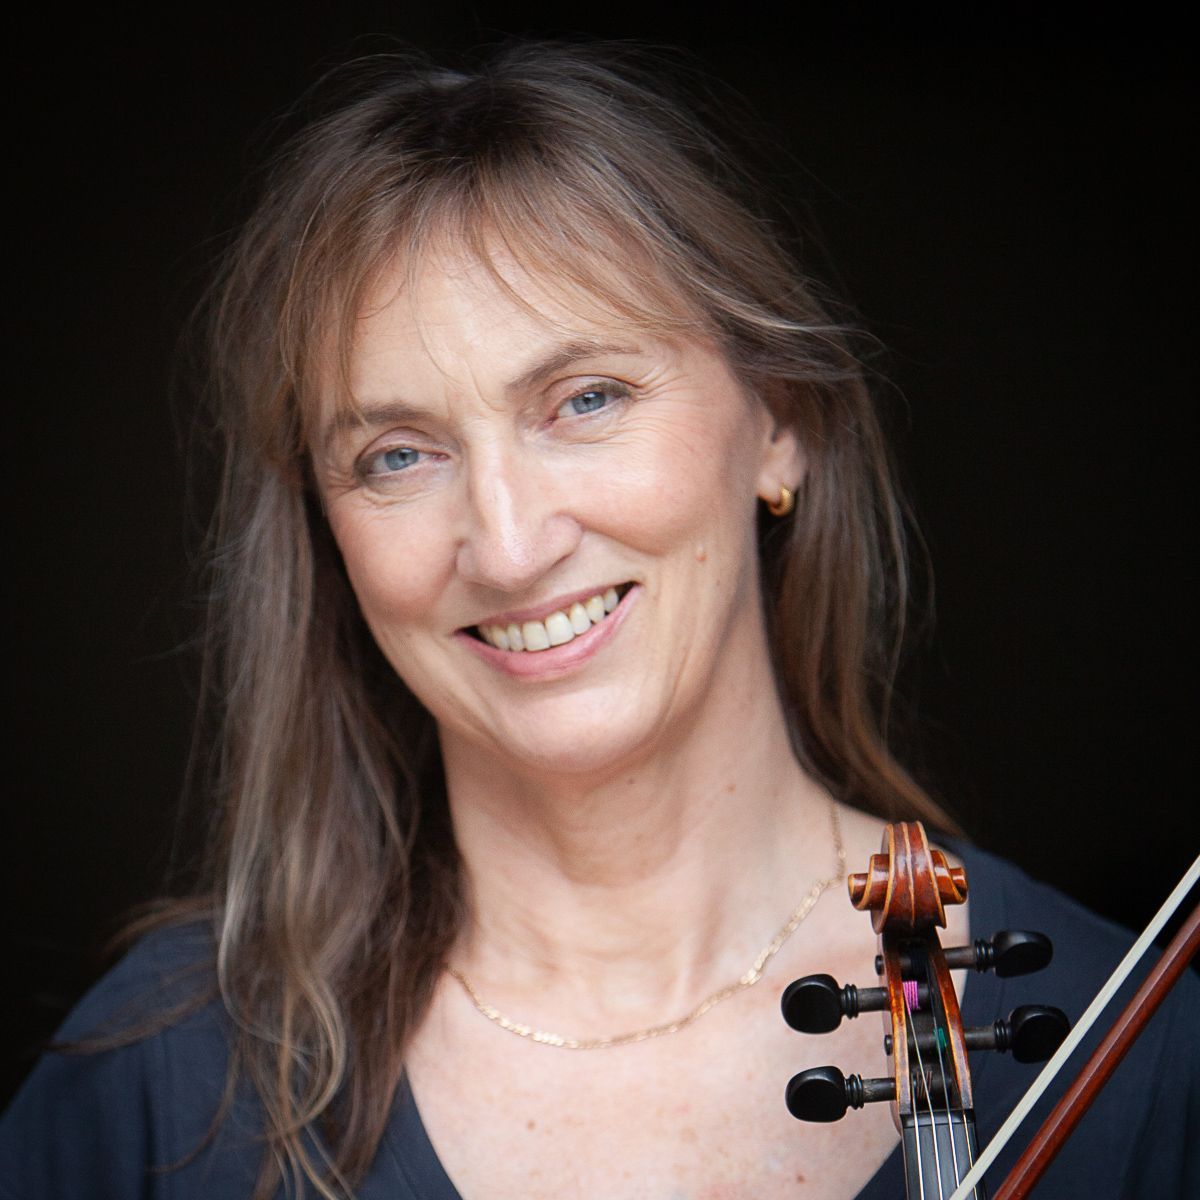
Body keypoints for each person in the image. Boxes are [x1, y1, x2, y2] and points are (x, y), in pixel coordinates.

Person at [2, 41, 1195, 1200]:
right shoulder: (156, 1093)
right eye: (399, 454)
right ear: (327, 531)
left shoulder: (1131, 1059)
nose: (510, 546)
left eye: (585, 399)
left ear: (779, 424)